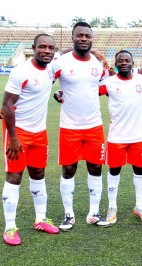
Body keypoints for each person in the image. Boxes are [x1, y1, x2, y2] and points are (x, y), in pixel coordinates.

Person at [1, 34, 60, 246]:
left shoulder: (52, 68)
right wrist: (14, 138)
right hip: (19, 132)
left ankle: (40, 219)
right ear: (33, 48)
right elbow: (6, 105)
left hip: (40, 132)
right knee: (14, 176)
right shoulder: (21, 72)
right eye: (42, 47)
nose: (47, 51)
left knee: (38, 173)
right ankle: (9, 227)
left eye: (51, 48)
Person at [52, 21, 110, 230]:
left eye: (87, 36)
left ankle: (93, 213)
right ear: (73, 37)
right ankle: (69, 215)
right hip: (69, 126)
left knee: (95, 167)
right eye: (80, 35)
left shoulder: (98, 63)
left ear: (91, 38)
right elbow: (46, 80)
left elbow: (105, 86)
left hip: (94, 126)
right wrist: (58, 93)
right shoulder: (61, 61)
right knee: (69, 169)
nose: (84, 39)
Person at [99, 50, 142, 224]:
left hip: (138, 136)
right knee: (114, 171)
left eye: (127, 60)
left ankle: (140, 206)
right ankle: (112, 207)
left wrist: (141, 109)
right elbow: (88, 93)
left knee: (140, 170)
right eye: (120, 60)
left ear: (132, 63)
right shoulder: (108, 83)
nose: (124, 63)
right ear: (116, 63)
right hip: (117, 137)